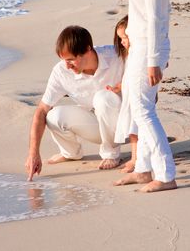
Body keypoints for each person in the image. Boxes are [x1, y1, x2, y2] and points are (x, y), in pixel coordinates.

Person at [110, 0, 177, 193]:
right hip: (143, 45)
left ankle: (165, 174)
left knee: (143, 110)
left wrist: (153, 60)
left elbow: (155, 16)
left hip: (147, 48)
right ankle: (143, 169)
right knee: (139, 109)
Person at [25, 25, 124, 182]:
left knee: (103, 97)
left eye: (70, 59)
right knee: (52, 115)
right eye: (64, 60)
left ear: (87, 49)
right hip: (98, 126)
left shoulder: (117, 56)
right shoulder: (61, 72)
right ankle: (70, 153)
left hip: (125, 124)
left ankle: (112, 154)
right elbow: (41, 110)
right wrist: (33, 153)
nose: (67, 66)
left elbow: (147, 63)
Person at [109, 16, 139, 173]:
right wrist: (119, 87)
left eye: (125, 38)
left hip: (136, 97)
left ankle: (136, 159)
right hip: (129, 96)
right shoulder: (129, 55)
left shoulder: (137, 54)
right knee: (133, 130)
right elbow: (128, 76)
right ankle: (137, 157)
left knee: (135, 129)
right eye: (120, 38)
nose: (122, 42)